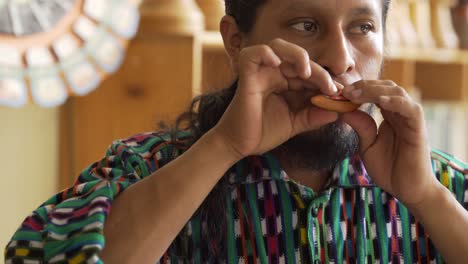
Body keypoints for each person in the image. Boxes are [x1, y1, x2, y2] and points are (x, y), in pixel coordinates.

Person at [5, 0, 468, 263]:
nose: (341, 58)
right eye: (306, 25)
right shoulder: (140, 170)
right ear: (236, 41)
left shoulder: (443, 188)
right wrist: (223, 148)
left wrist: (427, 198)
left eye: (362, 27)